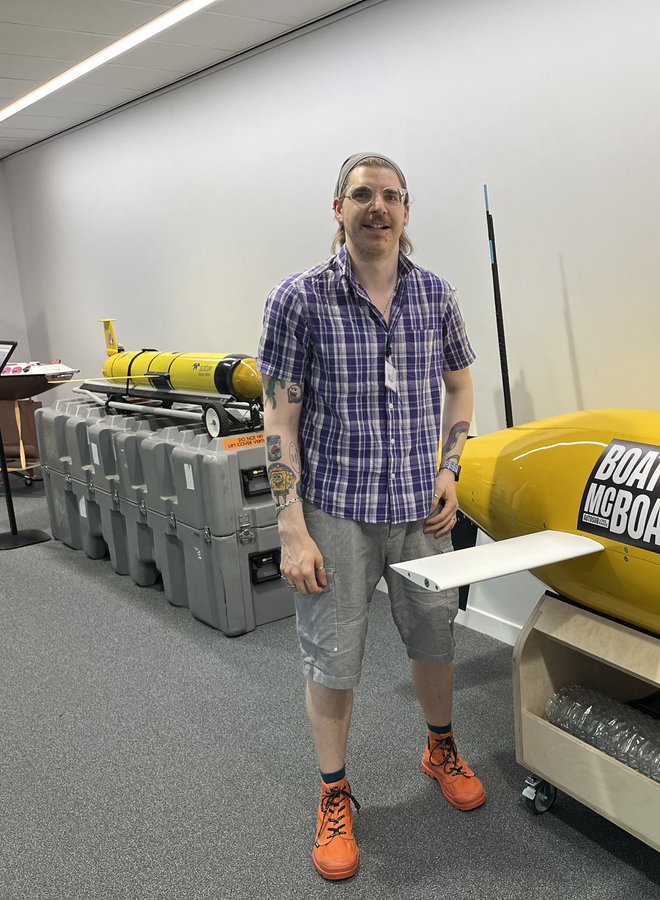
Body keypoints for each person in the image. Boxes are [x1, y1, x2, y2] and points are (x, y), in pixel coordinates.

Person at [257, 152, 481, 882]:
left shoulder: (436, 295)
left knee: (435, 632)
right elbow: (278, 420)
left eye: (390, 196)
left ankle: (439, 746)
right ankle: (334, 794)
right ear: (338, 208)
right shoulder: (298, 300)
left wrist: (451, 467)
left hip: (420, 507)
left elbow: (460, 389)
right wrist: (290, 526)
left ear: (407, 211)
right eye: (362, 195)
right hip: (336, 512)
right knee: (333, 656)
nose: (377, 207)